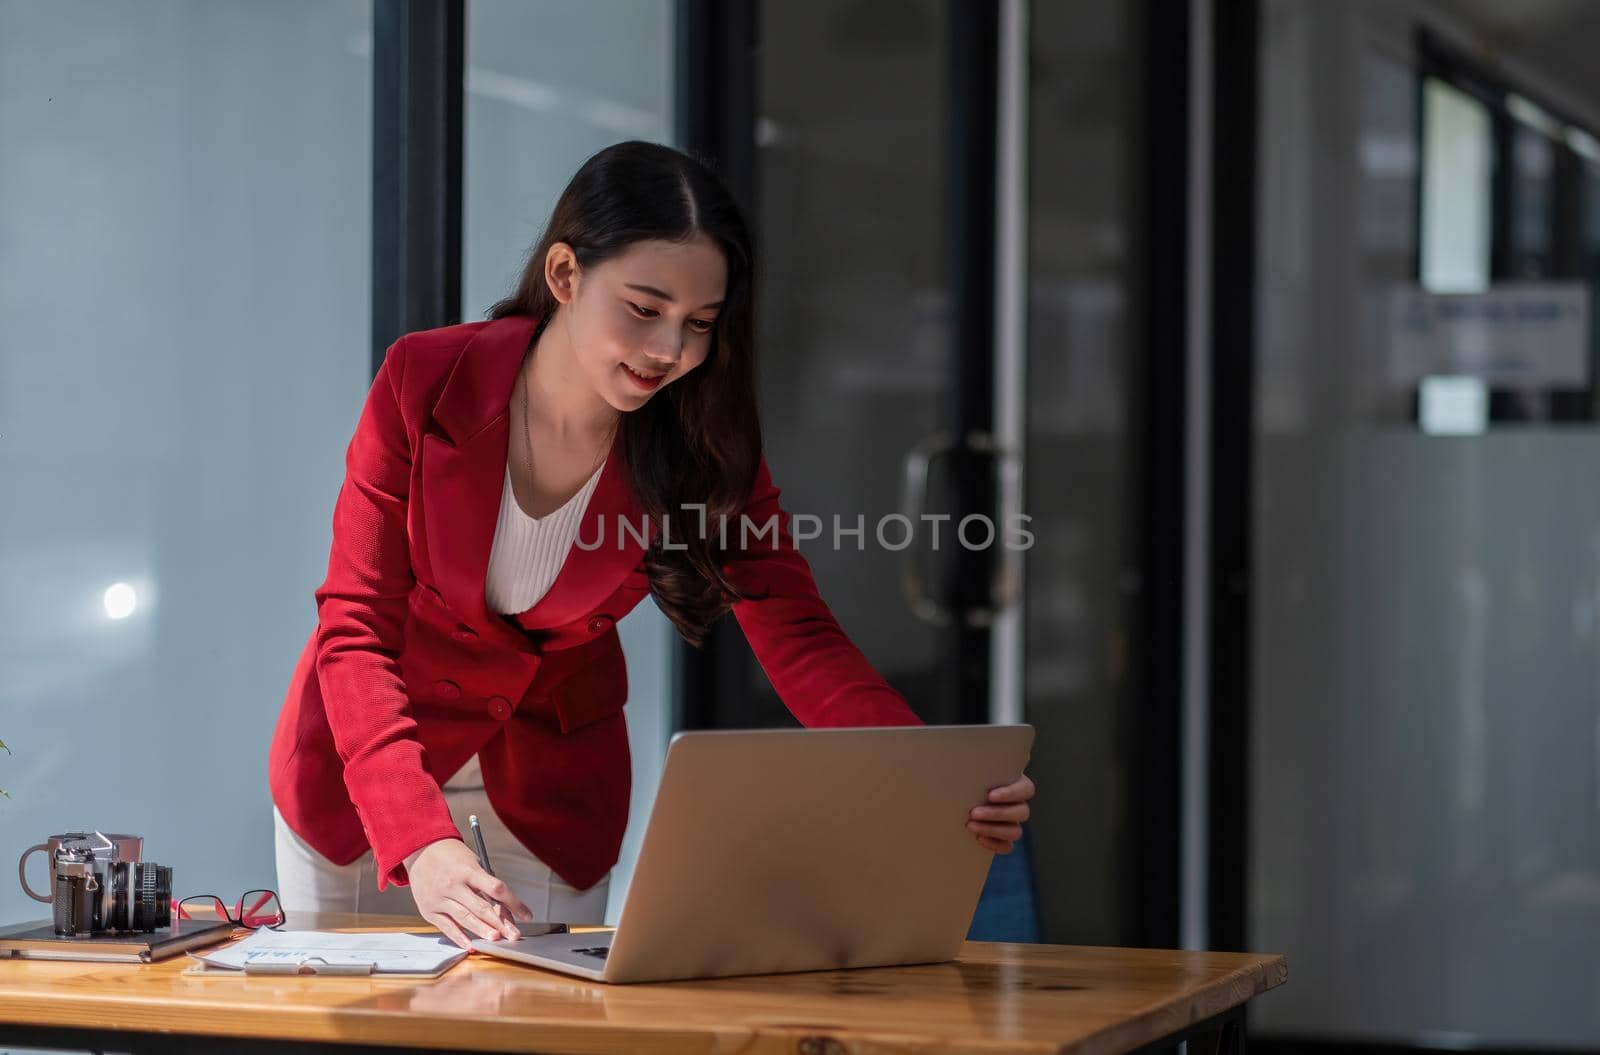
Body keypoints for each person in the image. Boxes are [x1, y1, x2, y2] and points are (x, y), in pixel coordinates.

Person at [268, 140, 1035, 950]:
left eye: (699, 323)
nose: (670, 349)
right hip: (369, 776)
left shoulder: (701, 441)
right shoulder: (424, 380)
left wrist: (926, 771)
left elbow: (798, 632)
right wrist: (419, 837)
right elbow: (354, 626)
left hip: (548, 791)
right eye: (644, 307)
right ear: (565, 275)